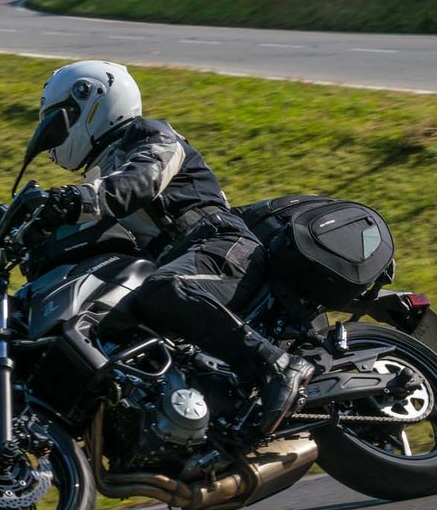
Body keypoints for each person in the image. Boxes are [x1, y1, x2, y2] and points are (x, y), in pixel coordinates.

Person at [22, 59, 312, 435]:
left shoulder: (150, 136)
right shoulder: (99, 174)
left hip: (220, 243)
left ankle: (276, 366)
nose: (58, 131)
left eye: (65, 116)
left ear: (93, 101)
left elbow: (140, 181)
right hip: (181, 260)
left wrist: (72, 201)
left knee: (164, 289)